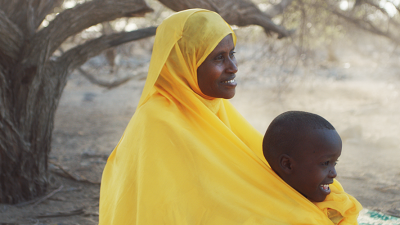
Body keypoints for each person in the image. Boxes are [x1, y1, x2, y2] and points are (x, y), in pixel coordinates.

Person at [99, 9, 361, 224]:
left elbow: (252, 168)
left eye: (232, 54)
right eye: (219, 58)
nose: (233, 67)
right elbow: (175, 208)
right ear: (186, 62)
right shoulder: (157, 121)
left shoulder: (210, 105)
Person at [263, 111, 362, 224]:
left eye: (334, 163)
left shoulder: (335, 204)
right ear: (287, 164)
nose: (334, 173)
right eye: (325, 163)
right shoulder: (271, 214)